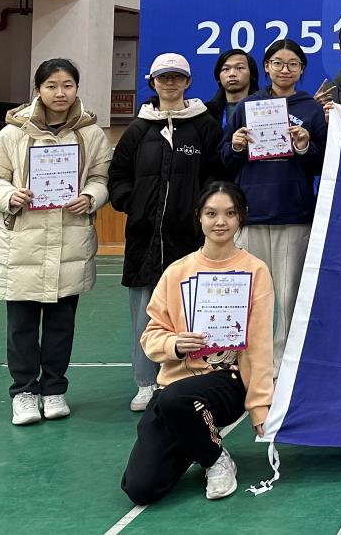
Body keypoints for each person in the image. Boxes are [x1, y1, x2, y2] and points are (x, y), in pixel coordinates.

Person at [0, 58, 112, 425]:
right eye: (51, 85)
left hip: (70, 244)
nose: (60, 93)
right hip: (22, 245)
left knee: (61, 326)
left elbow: (102, 177)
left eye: (67, 85)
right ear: (38, 90)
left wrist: (91, 196)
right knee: (21, 327)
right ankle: (23, 392)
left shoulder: (91, 134)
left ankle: (54, 390)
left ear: (76, 88)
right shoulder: (14, 132)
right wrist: (8, 195)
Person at [120, 181, 273, 505]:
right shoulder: (177, 272)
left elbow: (259, 346)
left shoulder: (255, 270)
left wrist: (260, 405)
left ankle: (215, 459)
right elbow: (150, 336)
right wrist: (175, 344)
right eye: (211, 213)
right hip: (174, 387)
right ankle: (196, 442)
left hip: (226, 381)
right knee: (141, 488)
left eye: (230, 213)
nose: (221, 222)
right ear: (199, 217)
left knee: (176, 399)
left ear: (241, 217)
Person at [109, 52, 223, 412]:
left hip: (189, 238)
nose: (170, 83)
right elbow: (118, 175)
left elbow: (219, 173)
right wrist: (133, 202)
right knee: (145, 316)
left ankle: (189, 379)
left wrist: (203, 211)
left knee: (190, 312)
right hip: (144, 240)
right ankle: (145, 383)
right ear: (152, 82)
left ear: (187, 82)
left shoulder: (205, 125)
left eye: (176, 77)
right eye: (163, 77)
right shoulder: (138, 128)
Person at [220, 39, 326, 372]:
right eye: (277, 63)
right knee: (251, 294)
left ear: (302, 70)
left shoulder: (311, 109)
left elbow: (322, 163)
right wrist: (236, 145)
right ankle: (251, 358)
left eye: (293, 64)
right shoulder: (247, 106)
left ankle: (284, 362)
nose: (284, 69)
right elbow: (225, 159)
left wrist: (305, 145)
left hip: (293, 214)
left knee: (289, 296)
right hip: (252, 212)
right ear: (266, 67)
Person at [206, 49, 258, 132]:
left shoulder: (264, 107)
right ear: (218, 77)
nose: (232, 74)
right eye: (226, 69)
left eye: (239, 68)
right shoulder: (207, 113)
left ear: (252, 74)